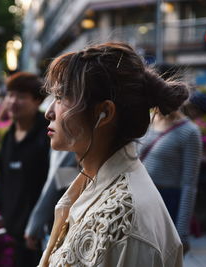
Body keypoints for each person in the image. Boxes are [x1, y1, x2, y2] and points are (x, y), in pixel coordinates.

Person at [39, 42, 187, 266]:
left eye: (61, 98)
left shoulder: (125, 219)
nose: (50, 112)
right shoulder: (94, 181)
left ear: (104, 113)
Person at [0, 72, 50, 267]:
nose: (12, 101)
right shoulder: (8, 136)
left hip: (43, 235)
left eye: (21, 96)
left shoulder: (49, 136)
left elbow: (58, 183)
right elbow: (3, 179)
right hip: (16, 232)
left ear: (37, 100)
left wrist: (43, 222)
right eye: (9, 95)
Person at [139, 96, 202, 253]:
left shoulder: (190, 131)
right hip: (140, 201)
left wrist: (182, 232)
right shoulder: (147, 121)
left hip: (167, 205)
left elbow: (189, 184)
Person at [24, 150, 78, 251]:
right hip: (56, 226)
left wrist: (35, 223)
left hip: (65, 231)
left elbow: (56, 183)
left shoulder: (70, 149)